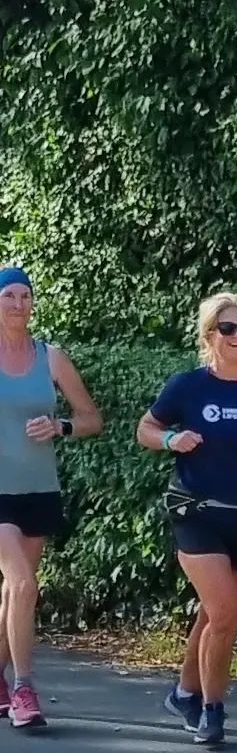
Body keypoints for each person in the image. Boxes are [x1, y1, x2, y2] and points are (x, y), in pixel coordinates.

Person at [136, 293, 237, 749]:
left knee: (214, 615)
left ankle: (185, 693)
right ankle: (212, 710)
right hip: (197, 512)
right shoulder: (188, 386)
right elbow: (144, 429)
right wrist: (171, 438)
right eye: (229, 329)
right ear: (210, 336)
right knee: (228, 612)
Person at [0, 266, 103, 729]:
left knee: (15, 593)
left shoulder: (52, 358)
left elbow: (90, 419)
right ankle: (24, 688)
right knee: (23, 585)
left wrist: (60, 426)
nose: (18, 304)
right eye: (9, 296)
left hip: (39, 489)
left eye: (25, 296)